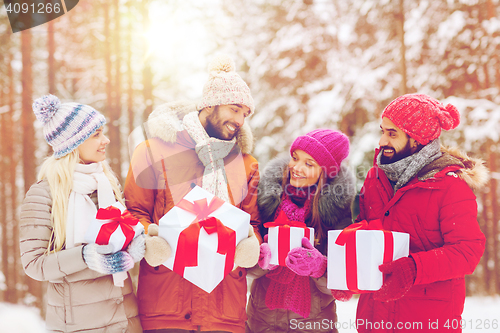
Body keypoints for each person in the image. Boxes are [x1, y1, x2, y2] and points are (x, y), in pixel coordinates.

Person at [124, 54, 261, 333]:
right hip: (167, 306)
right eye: (234, 109)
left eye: (245, 114)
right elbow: (132, 212)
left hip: (224, 311)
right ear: (209, 105)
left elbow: (252, 224)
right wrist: (150, 237)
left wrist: (251, 244)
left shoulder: (245, 164)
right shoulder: (153, 152)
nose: (240, 120)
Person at [355, 94, 487, 332]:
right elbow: (361, 230)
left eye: (392, 133)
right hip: (375, 319)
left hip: (426, 320)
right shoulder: (375, 178)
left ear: (416, 139)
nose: (382, 140)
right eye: (382, 131)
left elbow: (468, 251)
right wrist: (348, 270)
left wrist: (414, 268)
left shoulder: (450, 187)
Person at [20, 95, 145, 333]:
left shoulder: (106, 183)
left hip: (126, 320)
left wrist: (135, 243)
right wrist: (86, 256)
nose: (106, 140)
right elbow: (34, 264)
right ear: (73, 142)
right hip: (80, 326)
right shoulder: (44, 194)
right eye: (96, 134)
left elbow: (122, 231)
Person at [246, 129, 355, 333]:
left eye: (309, 163)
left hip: (314, 324)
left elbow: (344, 284)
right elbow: (246, 269)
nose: (296, 167)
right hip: (261, 322)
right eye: (295, 158)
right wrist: (259, 259)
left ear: (325, 172)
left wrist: (319, 267)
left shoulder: (336, 211)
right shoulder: (267, 199)